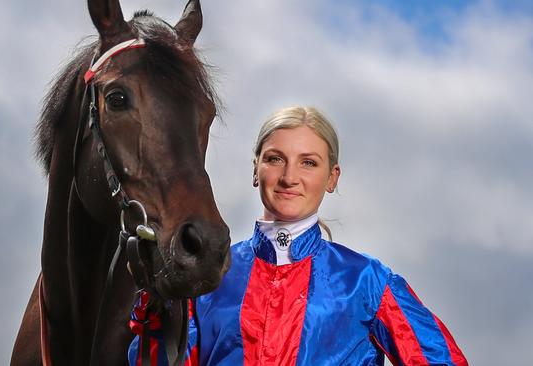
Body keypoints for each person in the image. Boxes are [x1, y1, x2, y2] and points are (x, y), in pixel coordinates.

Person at [128, 106, 468, 365]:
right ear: (256, 169)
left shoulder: (367, 281)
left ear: (332, 178)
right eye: (276, 159)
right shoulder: (208, 276)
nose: (290, 176)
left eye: (309, 163)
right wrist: (158, 301)